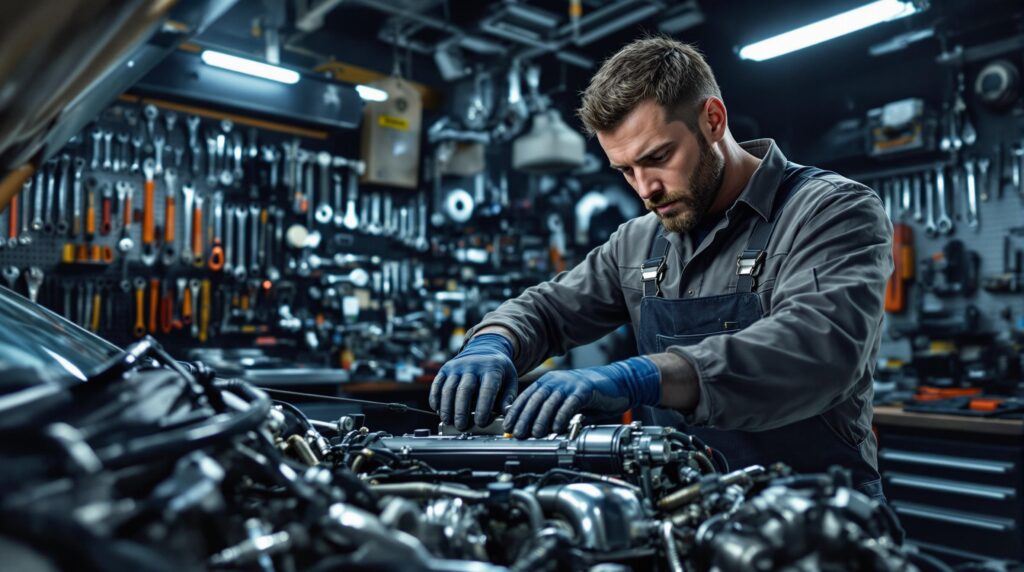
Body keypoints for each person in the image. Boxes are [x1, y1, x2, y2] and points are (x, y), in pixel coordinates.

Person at [428, 36, 893, 499]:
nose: (645, 189)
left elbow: (818, 348)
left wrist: (642, 377)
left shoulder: (831, 210)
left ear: (713, 120)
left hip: (817, 510)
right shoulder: (639, 241)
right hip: (685, 509)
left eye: (658, 158)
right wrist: (493, 342)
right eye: (626, 170)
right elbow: (549, 309)